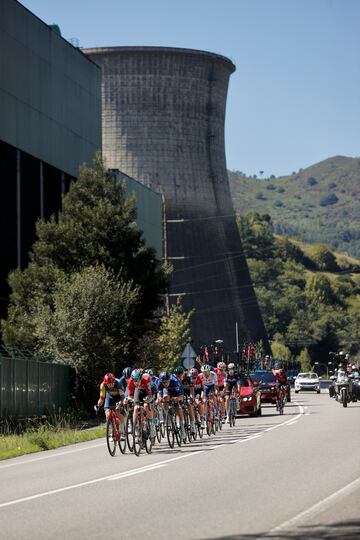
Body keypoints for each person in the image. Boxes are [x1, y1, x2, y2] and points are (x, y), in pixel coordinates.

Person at [157, 370, 187, 442]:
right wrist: (160, 398)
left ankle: (182, 427)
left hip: (176, 392)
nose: (165, 384)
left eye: (166, 382)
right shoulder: (160, 383)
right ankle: (168, 416)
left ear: (169, 380)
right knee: (164, 398)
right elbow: (159, 393)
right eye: (163, 382)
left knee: (178, 406)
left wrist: (177, 398)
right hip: (167, 391)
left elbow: (181, 396)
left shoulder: (175, 381)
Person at [126, 369, 155, 439]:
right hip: (138, 391)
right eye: (134, 380)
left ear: (141, 377)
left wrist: (147, 400)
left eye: (137, 380)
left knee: (146, 406)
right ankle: (135, 428)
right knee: (136, 407)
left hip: (149, 391)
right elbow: (130, 395)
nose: (135, 382)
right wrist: (130, 399)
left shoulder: (146, 379)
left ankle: (151, 427)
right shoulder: (130, 381)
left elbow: (149, 393)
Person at [96, 372, 126, 440]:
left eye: (112, 383)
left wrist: (120, 403)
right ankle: (112, 431)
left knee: (118, 412)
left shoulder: (118, 383)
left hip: (119, 397)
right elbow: (101, 398)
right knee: (107, 414)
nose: (110, 385)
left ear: (114, 381)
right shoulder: (103, 385)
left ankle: (122, 432)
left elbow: (123, 397)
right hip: (110, 397)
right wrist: (98, 405)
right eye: (108, 384)